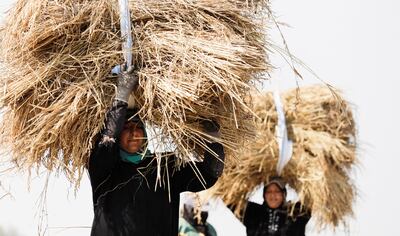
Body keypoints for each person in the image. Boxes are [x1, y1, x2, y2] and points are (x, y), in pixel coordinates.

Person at [87, 65, 225, 236]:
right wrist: (121, 96)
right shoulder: (104, 169)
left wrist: (213, 140)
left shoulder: (164, 168)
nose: (133, 133)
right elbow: (107, 142)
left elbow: (208, 175)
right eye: (126, 127)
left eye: (138, 127)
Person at [240, 177, 311, 236]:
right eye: (269, 191)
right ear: (264, 195)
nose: (273, 195)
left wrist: (296, 181)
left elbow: (313, 198)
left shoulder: (295, 212)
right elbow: (232, 199)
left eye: (277, 191)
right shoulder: (253, 212)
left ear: (284, 194)